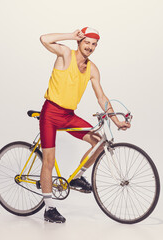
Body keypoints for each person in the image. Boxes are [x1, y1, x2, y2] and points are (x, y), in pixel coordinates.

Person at [39, 27, 131, 223]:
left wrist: (115, 121)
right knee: (48, 161)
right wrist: (70, 36)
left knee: (98, 142)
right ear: (79, 42)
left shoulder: (92, 69)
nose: (90, 46)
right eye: (87, 42)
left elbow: (101, 97)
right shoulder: (65, 54)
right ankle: (49, 208)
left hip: (68, 115)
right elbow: (44, 39)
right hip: (51, 113)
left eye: (94, 44)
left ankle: (76, 178)